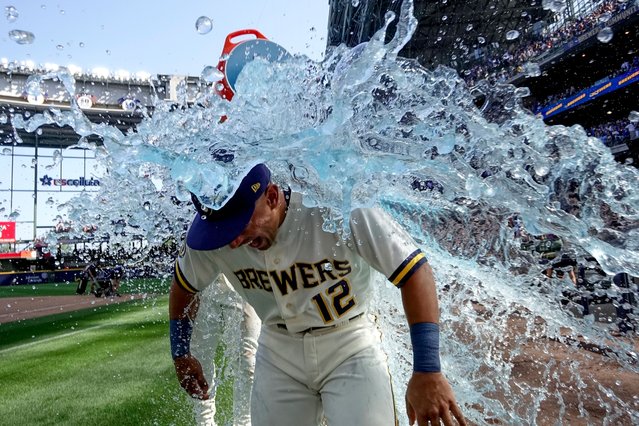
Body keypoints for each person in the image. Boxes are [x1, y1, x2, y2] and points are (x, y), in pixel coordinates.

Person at [169, 163, 466, 425]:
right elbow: (184, 286)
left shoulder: (335, 205)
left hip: (349, 343)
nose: (232, 240)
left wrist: (428, 369)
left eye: (238, 224)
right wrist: (180, 352)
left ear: (272, 197)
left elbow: (415, 272)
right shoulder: (212, 235)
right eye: (222, 229)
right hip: (277, 349)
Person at [189, 276, 260, 426]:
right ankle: (204, 422)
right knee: (201, 361)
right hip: (202, 281)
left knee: (248, 360)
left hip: (241, 279)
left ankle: (243, 422)